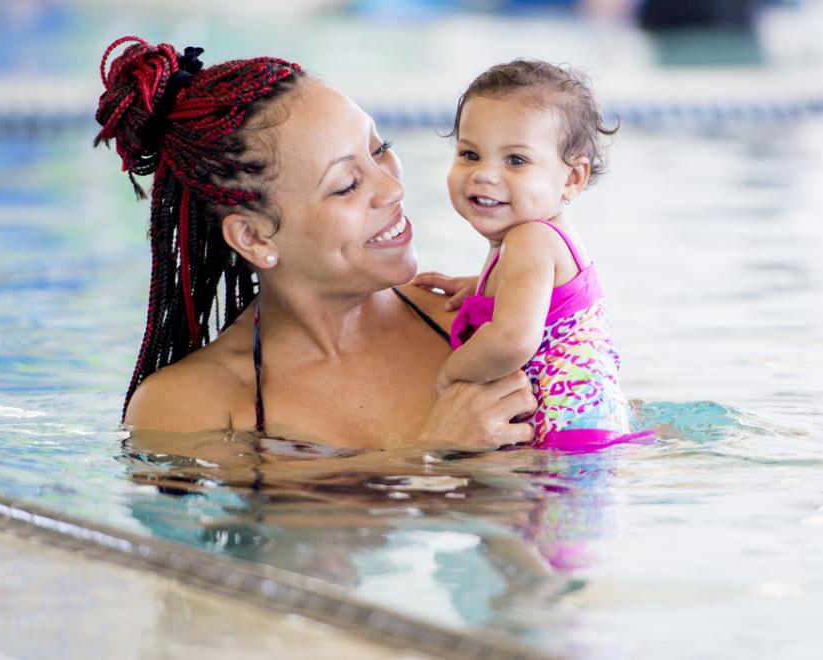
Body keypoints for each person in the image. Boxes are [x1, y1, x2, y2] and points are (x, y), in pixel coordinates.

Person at [94, 37, 536, 451]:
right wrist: (437, 451)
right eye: (346, 185)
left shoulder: (488, 325)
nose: (393, 188)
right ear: (254, 236)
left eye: (380, 149)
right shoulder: (191, 406)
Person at [428, 59, 647, 450]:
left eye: (516, 160)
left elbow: (512, 341)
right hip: (590, 427)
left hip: (565, 442)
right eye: (470, 155)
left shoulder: (530, 239)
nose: (485, 175)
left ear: (571, 178)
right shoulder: (540, 239)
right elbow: (544, 303)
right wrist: (480, 290)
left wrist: (448, 377)